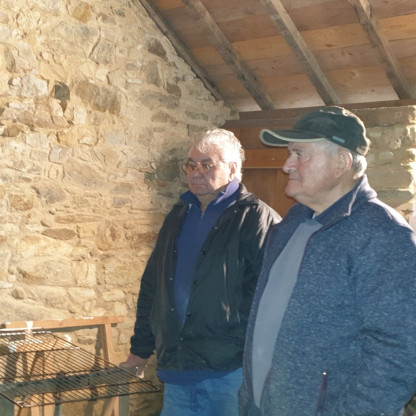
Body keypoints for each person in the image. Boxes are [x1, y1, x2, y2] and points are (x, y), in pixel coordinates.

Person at [239, 106, 416, 416]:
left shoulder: (383, 234)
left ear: (342, 163)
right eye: (289, 153)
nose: (286, 165)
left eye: (299, 154)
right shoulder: (290, 224)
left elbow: (400, 352)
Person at [120, 128, 280, 415]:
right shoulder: (178, 215)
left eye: (206, 165)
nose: (195, 172)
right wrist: (140, 350)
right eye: (191, 165)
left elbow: (272, 298)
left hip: (230, 371)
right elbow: (153, 287)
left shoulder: (257, 218)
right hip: (178, 368)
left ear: (232, 169)